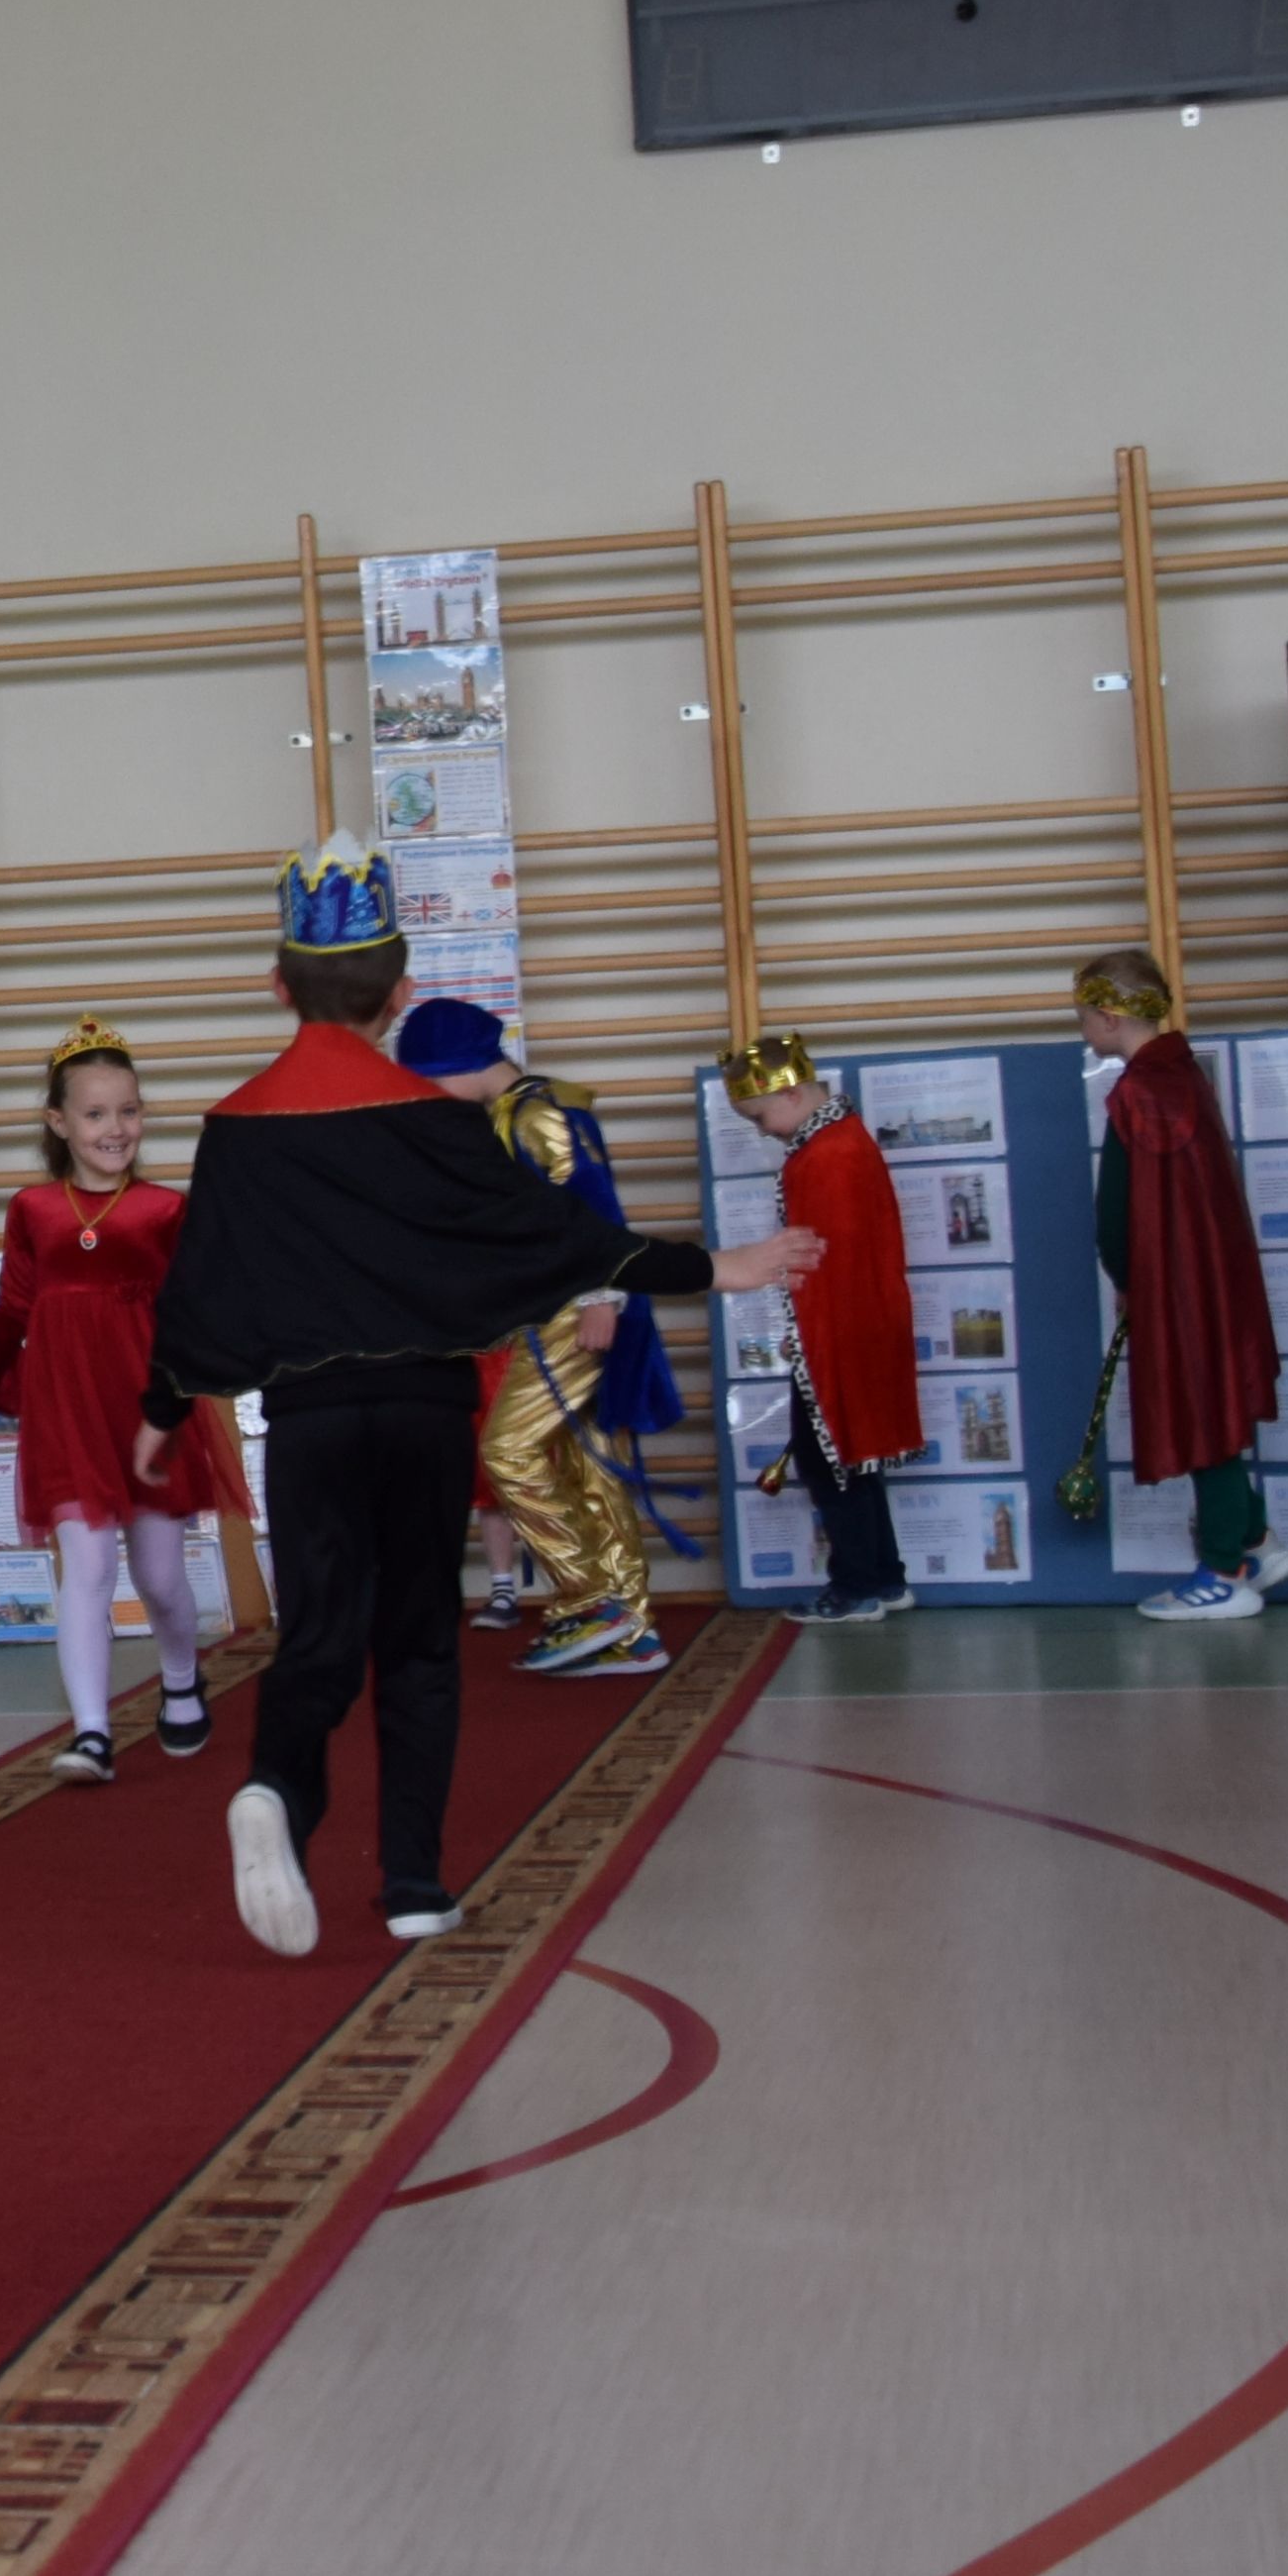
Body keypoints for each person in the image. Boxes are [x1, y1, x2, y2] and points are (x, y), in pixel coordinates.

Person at [139, 840, 809, 1960]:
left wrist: (161, 1412)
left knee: (320, 1633)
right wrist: (716, 1267)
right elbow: (557, 1236)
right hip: (422, 1418)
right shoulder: (433, 1119)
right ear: (400, 994)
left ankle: (277, 1790)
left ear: (276, 986)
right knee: (418, 1641)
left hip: (309, 1422)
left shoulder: (239, 1129)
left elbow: (199, 1288)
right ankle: (413, 1883)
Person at [0, 1021, 247, 1783]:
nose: (115, 1128)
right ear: (58, 1122)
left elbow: (193, 1315)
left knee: (160, 1578)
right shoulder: (34, 1210)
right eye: (95, 1114)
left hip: (146, 1411)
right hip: (68, 1414)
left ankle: (181, 1678)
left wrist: (175, 1401)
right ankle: (91, 1731)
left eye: (129, 1111)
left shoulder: (163, 1211)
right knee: (84, 1569)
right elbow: (13, 1313)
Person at [385, 998, 670, 1681]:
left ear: (457, 1066)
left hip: (577, 1310)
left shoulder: (533, 1115)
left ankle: (592, 1601)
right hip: (563, 1310)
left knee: (507, 1450)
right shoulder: (520, 1111)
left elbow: (593, 1206)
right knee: (591, 1469)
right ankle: (632, 1631)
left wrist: (601, 1296)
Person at [1078, 953, 1288, 1626]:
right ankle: (1258, 1542)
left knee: (1204, 1417)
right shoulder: (1187, 1074)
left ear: (1108, 1017)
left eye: (1083, 1018)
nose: (1082, 1030)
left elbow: (1115, 1209)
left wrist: (1125, 1276)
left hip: (1177, 1283)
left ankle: (1225, 1572)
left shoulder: (1140, 1090)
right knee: (1214, 1401)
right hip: (1215, 1274)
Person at [721, 1033, 923, 1621]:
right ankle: (885, 1578)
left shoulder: (826, 1154)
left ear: (789, 1094)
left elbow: (826, 1259)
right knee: (855, 1458)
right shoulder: (840, 1141)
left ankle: (857, 1587)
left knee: (828, 1459)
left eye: (759, 1117)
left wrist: (812, 1331)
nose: (762, 1131)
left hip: (842, 1330)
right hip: (855, 1323)